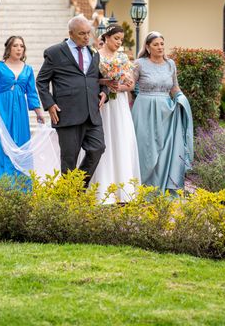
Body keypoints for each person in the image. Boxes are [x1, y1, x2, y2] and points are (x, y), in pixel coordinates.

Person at [36, 15, 108, 188]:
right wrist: (49, 104)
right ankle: (69, 202)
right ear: (71, 33)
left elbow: (98, 78)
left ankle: (77, 189)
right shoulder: (54, 52)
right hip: (67, 114)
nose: (86, 37)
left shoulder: (93, 53)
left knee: (97, 149)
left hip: (92, 113)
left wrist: (104, 91)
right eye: (82, 33)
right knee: (69, 159)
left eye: (88, 33)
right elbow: (41, 81)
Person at [131, 32, 193, 193]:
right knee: (145, 147)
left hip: (166, 111)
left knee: (166, 148)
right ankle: (141, 186)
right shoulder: (139, 64)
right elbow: (129, 86)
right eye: (156, 44)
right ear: (147, 47)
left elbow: (174, 87)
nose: (160, 47)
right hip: (144, 110)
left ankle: (163, 185)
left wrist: (181, 98)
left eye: (162, 44)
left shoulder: (170, 64)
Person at [0, 36, 44, 179]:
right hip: (1, 111)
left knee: (20, 144)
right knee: (0, 146)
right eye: (15, 45)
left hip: (20, 113)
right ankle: (1, 183)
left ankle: (20, 186)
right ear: (9, 48)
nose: (19, 49)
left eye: (21, 46)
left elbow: (32, 93)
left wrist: (38, 112)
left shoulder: (28, 69)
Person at [91, 25, 141, 202]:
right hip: (102, 103)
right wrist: (105, 82)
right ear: (107, 37)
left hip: (119, 104)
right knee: (103, 141)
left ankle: (123, 190)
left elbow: (131, 84)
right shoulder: (95, 55)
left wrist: (119, 86)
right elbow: (90, 79)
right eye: (116, 39)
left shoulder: (122, 58)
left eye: (121, 39)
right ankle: (102, 189)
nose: (119, 42)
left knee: (120, 140)